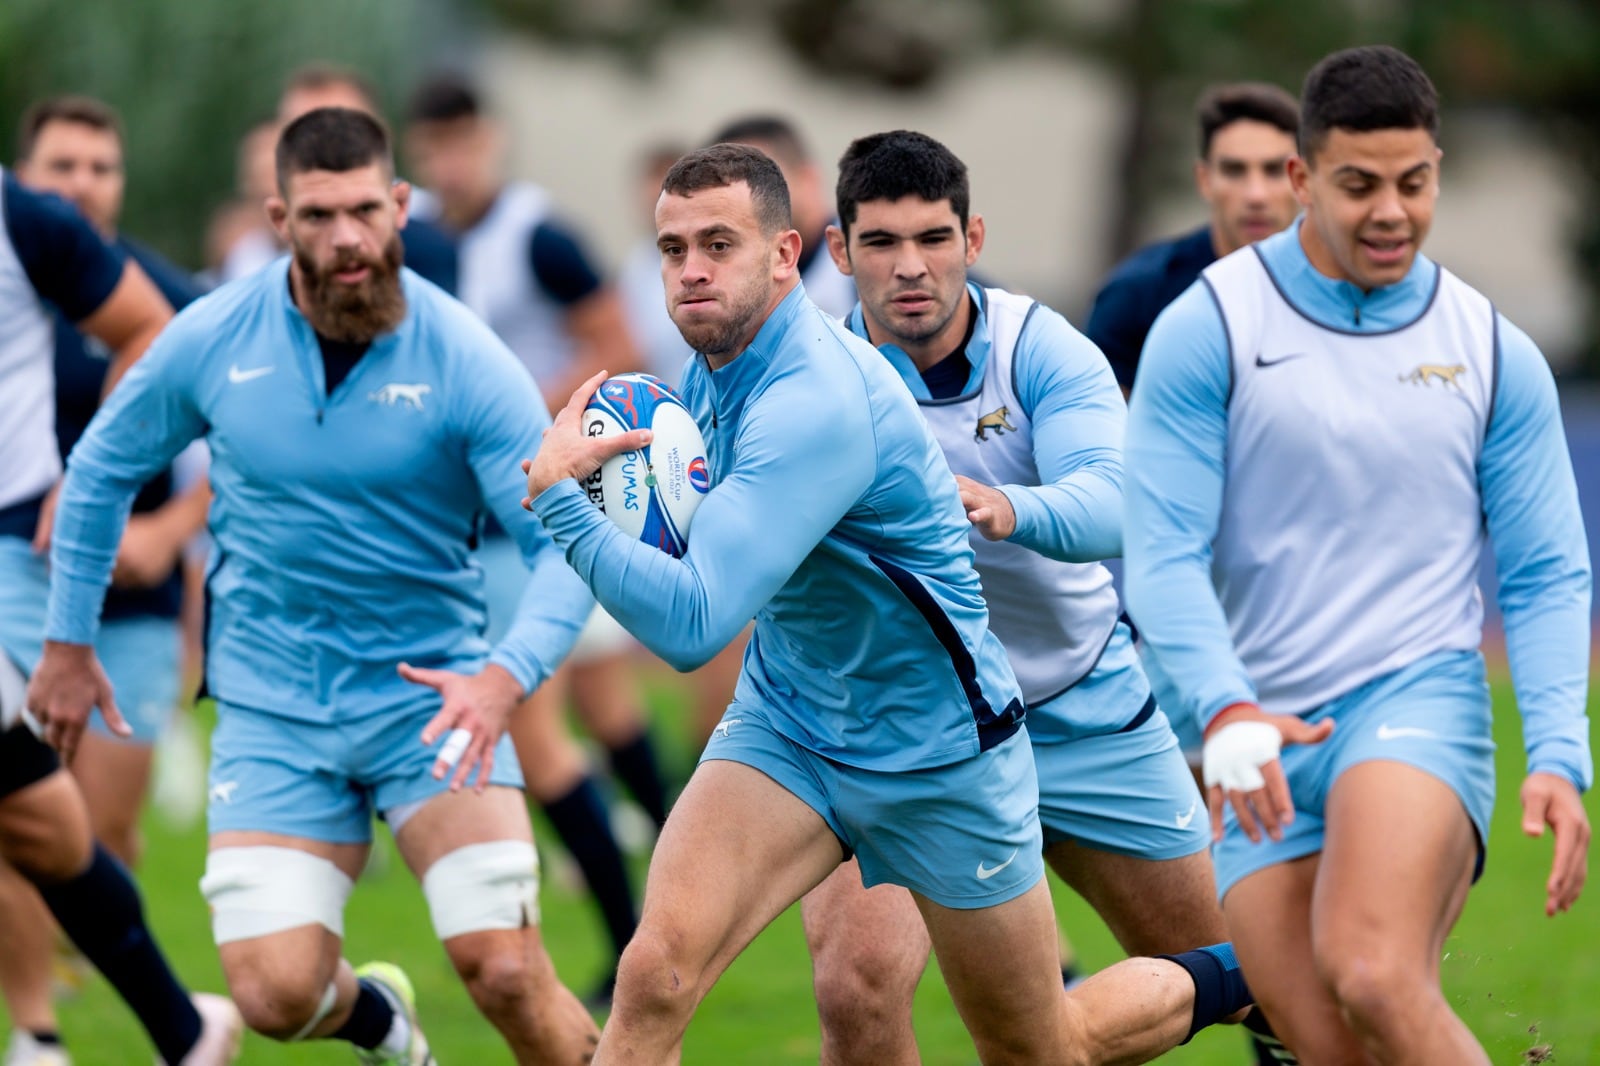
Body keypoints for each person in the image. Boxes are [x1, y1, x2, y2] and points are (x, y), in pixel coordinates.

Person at [522, 142, 1254, 1064]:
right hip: (792, 723)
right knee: (657, 975)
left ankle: (1255, 972)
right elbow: (702, 567)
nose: (693, 270)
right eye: (674, 250)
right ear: (838, 250)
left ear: (786, 256)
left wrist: (563, 505)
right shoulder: (711, 369)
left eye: (719, 243)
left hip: (943, 748)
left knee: (1040, 1047)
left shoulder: (821, 395)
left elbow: (691, 624)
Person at [27, 107, 599, 1065]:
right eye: (321, 216)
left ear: (401, 206)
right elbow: (99, 471)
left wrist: (506, 676)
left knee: (503, 970)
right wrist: (69, 644)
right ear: (277, 218)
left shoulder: (463, 357)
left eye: (366, 212)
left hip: (437, 701)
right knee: (275, 998)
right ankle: (383, 1023)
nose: (348, 240)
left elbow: (563, 546)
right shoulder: (213, 335)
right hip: (273, 707)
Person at [1123, 45, 1592, 1064]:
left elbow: (1547, 568)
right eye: (1359, 184)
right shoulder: (1207, 325)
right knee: (1326, 1046)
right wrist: (1224, 706)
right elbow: (1158, 548)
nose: (1391, 210)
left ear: (1436, 169)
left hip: (1417, 700)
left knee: (1374, 972)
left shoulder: (1487, 345)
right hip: (1257, 740)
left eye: (1413, 182)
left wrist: (1558, 749)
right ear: (1300, 178)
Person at [804, 127, 1281, 1065]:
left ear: (973, 238)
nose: (911, 268)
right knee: (855, 988)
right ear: (838, 250)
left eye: (934, 239)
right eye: (882, 243)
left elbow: (1115, 504)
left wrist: (1004, 509)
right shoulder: (812, 373)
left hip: (1076, 703)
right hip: (898, 730)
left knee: (1256, 971)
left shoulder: (1039, 348)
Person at [405, 72, 670, 1000]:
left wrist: (537, 422)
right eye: (434, 146)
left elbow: (621, 343)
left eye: (463, 141)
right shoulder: (415, 240)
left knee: (557, 731)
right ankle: (664, 908)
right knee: (592, 715)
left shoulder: (539, 235)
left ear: (492, 140)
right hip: (483, 511)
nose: (451, 161)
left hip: (544, 504)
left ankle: (640, 933)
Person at [0, 155, 240, 1064]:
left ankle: (180, 1028)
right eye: (63, 161)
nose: (82, 182)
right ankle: (42, 1033)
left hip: (115, 591)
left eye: (100, 165)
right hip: (15, 573)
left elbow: (236, 442)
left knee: (60, 822)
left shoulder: (43, 239)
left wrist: (102, 482)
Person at [1086, 82, 1299, 395]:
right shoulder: (1139, 293)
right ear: (1205, 179)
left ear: (1303, 179)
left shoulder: (1345, 290)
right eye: (1234, 170)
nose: (1256, 194)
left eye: (1274, 170)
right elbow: (1106, 432)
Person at [216, 64, 458, 293]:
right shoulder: (252, 252)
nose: (324, 152)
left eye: (345, 132)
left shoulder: (437, 231)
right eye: (302, 136)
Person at [709, 115, 857, 319]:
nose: (744, 201)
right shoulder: (718, 278)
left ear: (807, 178)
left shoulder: (861, 258)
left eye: (760, 183)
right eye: (725, 189)